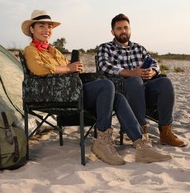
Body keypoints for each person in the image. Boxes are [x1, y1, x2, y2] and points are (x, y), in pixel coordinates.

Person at [21, 9, 172, 165]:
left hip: (70, 91)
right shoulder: (30, 50)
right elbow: (38, 69)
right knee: (106, 85)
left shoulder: (54, 51)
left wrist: (75, 68)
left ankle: (142, 145)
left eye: (49, 26)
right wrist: (68, 69)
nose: (46, 30)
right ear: (32, 29)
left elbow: (70, 70)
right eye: (41, 26)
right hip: (53, 95)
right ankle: (102, 141)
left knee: (118, 97)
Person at [97, 13, 188, 147]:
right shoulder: (105, 48)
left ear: (130, 29)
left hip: (143, 90)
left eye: (126, 28)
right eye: (119, 28)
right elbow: (104, 66)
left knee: (165, 82)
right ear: (113, 31)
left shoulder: (139, 48)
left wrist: (152, 72)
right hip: (122, 92)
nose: (123, 31)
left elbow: (155, 63)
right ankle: (140, 133)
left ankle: (165, 132)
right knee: (134, 80)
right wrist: (131, 73)